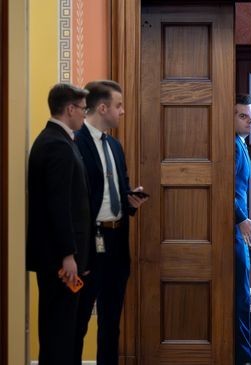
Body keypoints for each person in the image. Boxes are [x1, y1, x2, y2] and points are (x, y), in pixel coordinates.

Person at [73, 80, 148, 365]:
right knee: (79, 321)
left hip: (117, 242)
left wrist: (131, 201)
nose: (123, 111)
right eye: (118, 105)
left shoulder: (115, 146)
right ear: (102, 108)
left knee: (111, 321)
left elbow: (122, 186)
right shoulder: (75, 141)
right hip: (89, 242)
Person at [26, 83, 91, 364]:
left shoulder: (58, 140)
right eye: (83, 109)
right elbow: (58, 205)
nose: (84, 116)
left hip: (59, 256)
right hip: (60, 259)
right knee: (59, 331)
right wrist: (68, 254)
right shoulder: (56, 145)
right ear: (70, 109)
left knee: (60, 329)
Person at [234, 94, 251, 365]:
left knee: (243, 293)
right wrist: (240, 218)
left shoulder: (242, 145)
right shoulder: (234, 147)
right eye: (243, 116)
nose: (250, 121)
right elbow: (226, 186)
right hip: (233, 229)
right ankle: (244, 357)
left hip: (241, 230)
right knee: (240, 296)